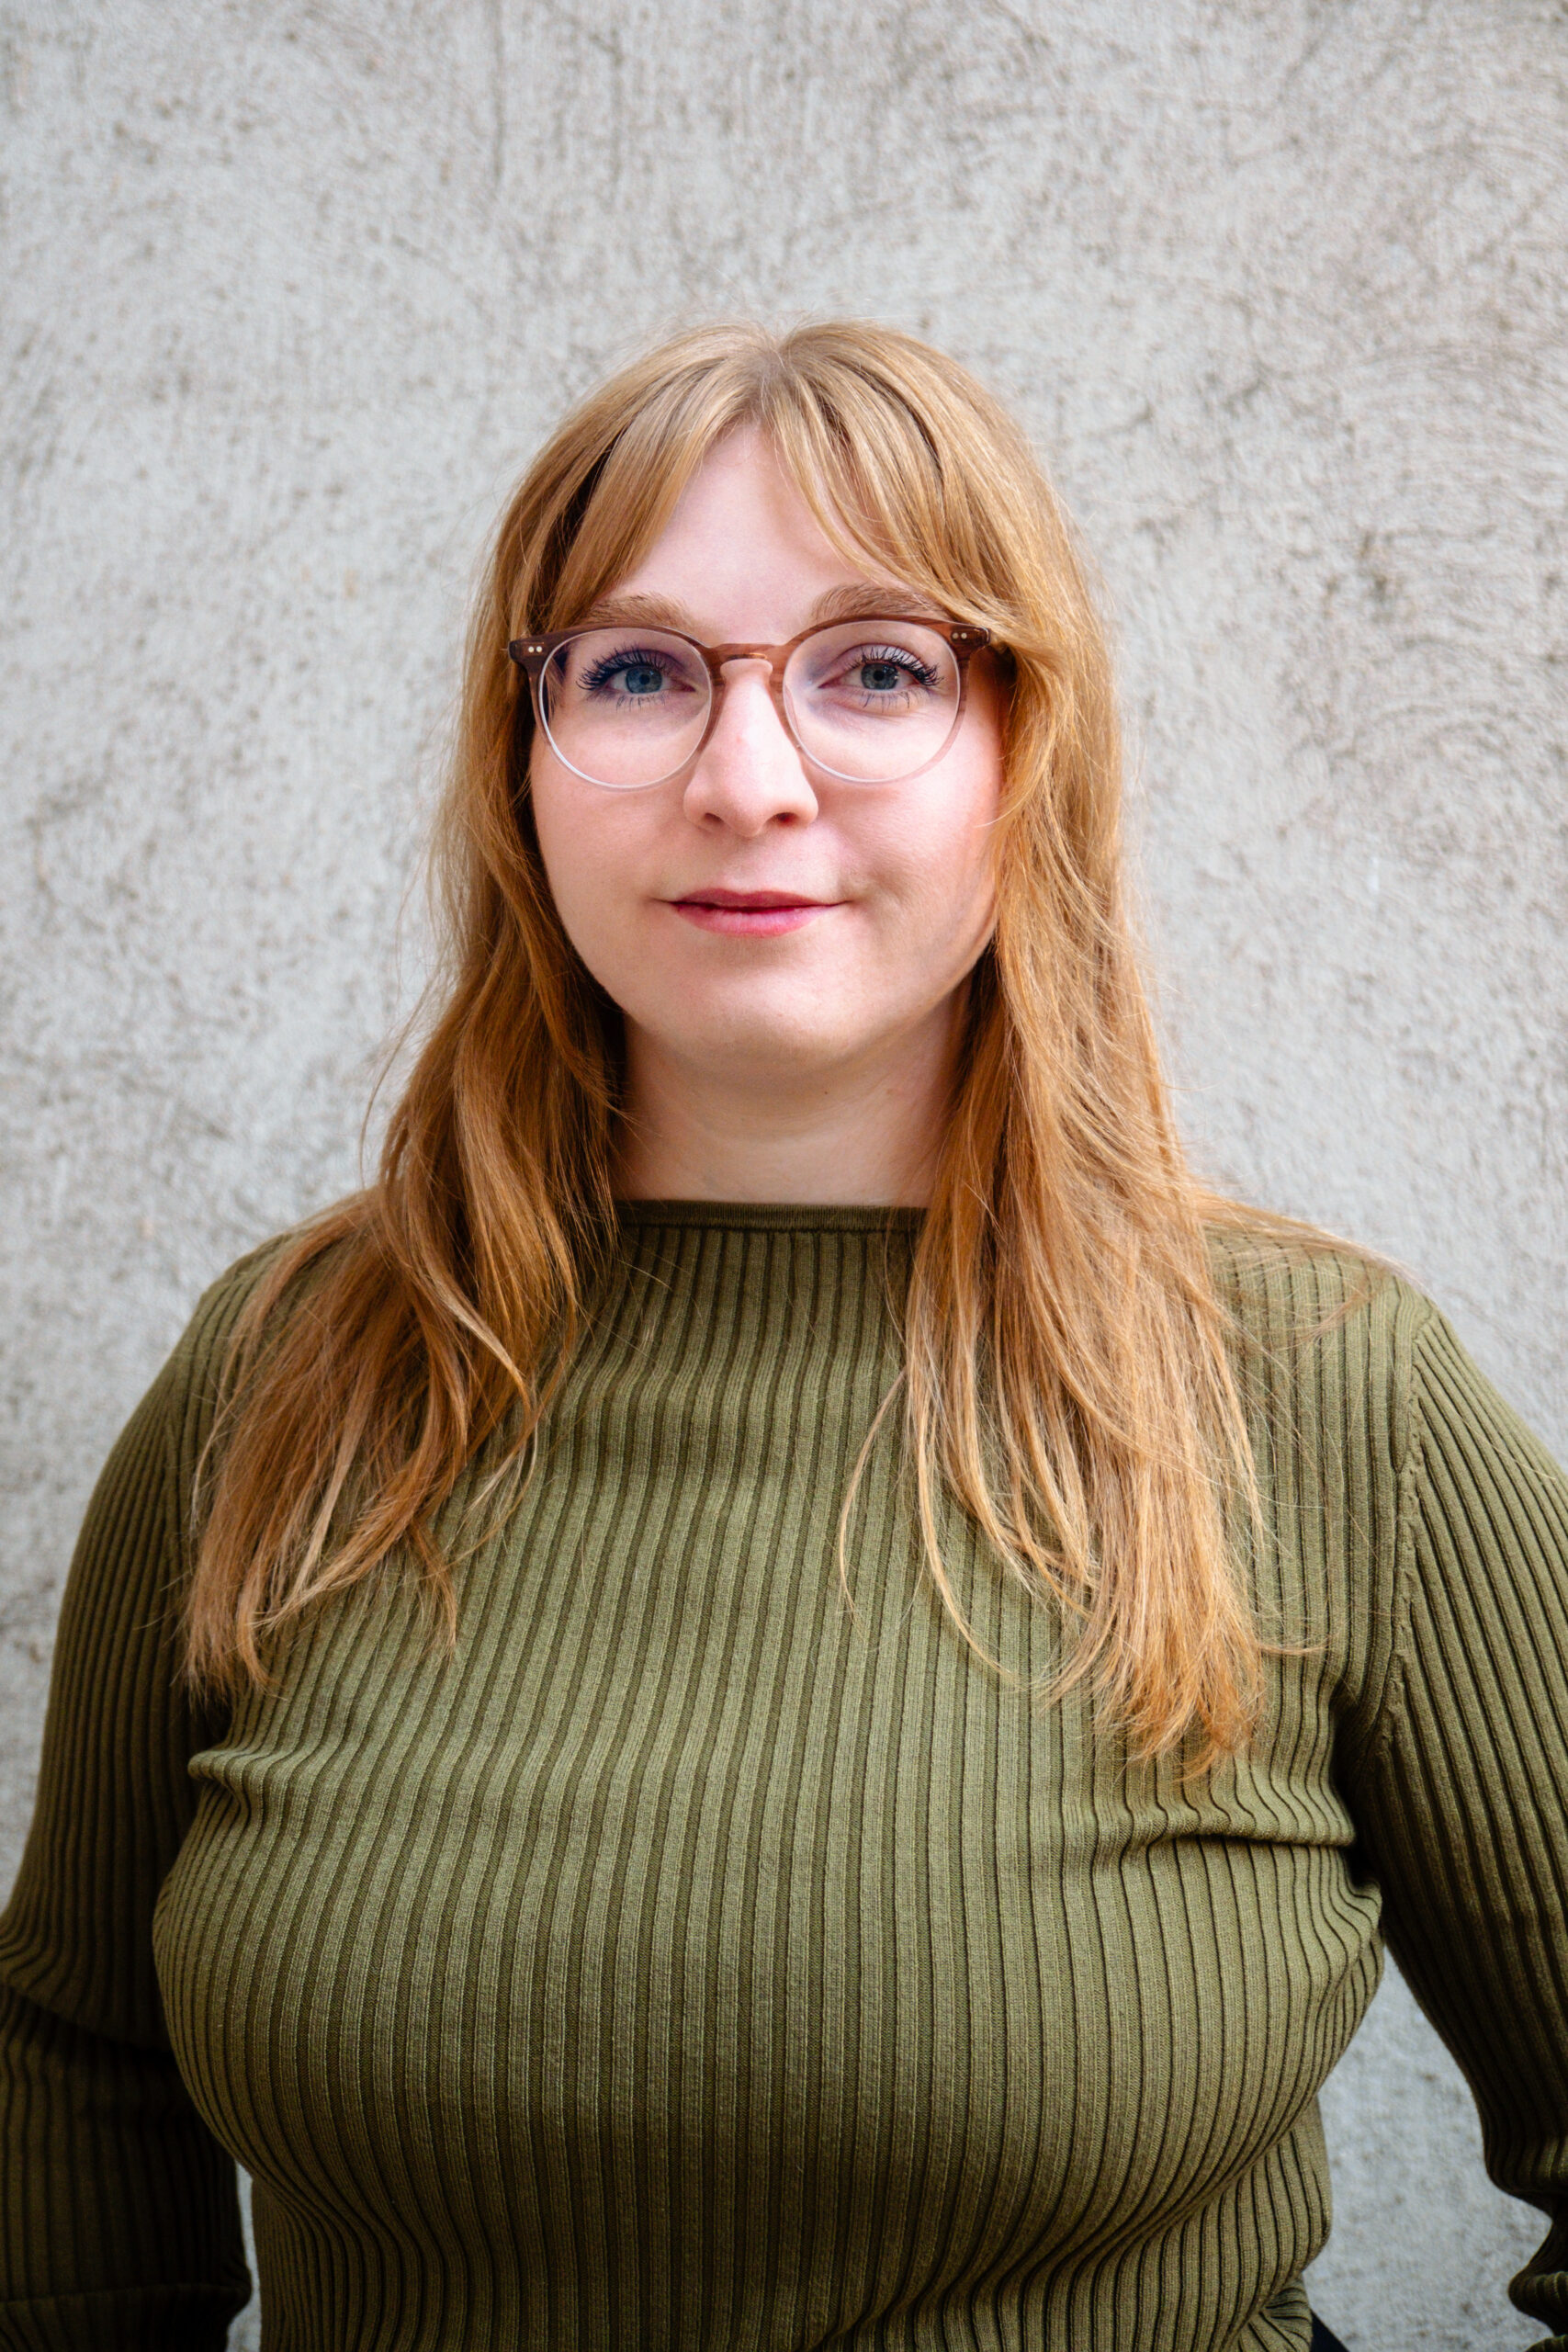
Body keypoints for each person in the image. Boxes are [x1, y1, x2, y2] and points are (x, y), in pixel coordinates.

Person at [1, 320, 1564, 2352]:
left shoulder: (1320, 1393)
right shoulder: (290, 1372)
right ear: (523, 761)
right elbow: (72, 2081)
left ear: (1026, 749)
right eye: (638, 672)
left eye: (877, 669)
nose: (746, 782)